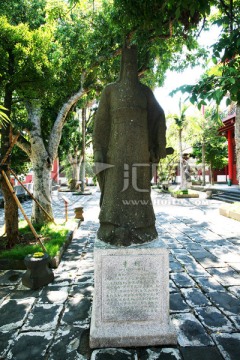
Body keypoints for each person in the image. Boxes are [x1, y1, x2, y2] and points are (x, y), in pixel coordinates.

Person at [93, 46, 166, 246]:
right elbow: (100, 124)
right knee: (116, 186)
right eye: (126, 63)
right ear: (121, 65)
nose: (129, 67)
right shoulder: (110, 91)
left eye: (133, 63)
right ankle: (111, 226)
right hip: (115, 152)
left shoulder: (145, 92)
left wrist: (159, 144)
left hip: (140, 152)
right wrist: (98, 150)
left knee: (139, 189)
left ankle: (143, 227)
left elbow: (158, 117)